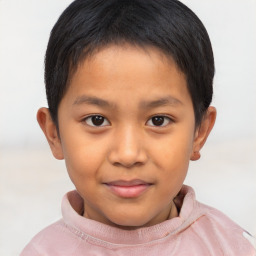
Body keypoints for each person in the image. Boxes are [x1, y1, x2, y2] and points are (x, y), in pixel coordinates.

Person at [21, 0, 255, 255]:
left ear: (199, 132)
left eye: (158, 120)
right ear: (54, 134)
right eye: (97, 120)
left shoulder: (231, 246)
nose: (128, 154)